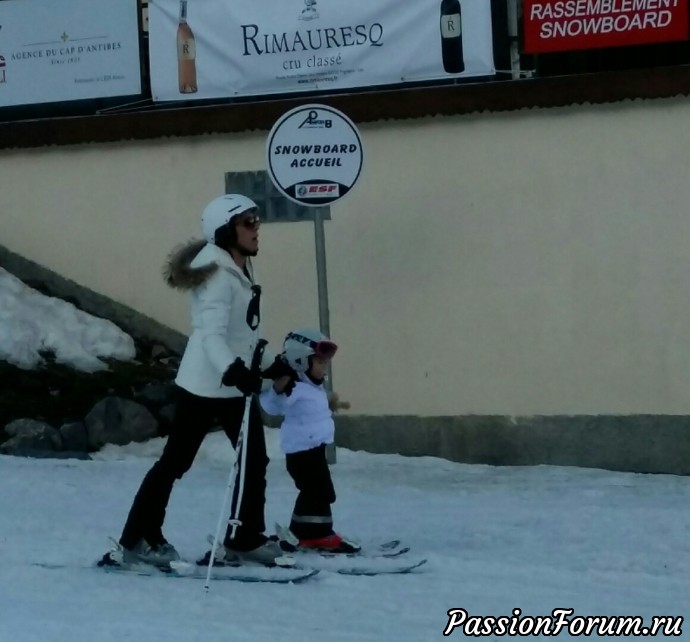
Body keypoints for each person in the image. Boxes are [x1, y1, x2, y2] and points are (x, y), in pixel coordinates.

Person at [101, 194, 296, 568]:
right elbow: (211, 336)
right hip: (205, 386)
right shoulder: (218, 276)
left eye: (257, 220)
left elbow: (244, 335)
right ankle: (138, 538)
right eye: (248, 222)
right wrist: (235, 371)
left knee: (254, 460)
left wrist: (273, 365)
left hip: (232, 384)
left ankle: (244, 537)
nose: (257, 229)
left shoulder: (236, 268)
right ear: (226, 231)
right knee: (176, 463)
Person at [260, 328, 359, 553]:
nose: (325, 367)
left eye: (325, 362)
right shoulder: (294, 388)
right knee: (318, 491)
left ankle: (308, 533)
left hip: (314, 448)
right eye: (319, 362)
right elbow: (272, 406)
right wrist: (279, 388)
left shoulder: (313, 386)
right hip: (301, 452)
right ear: (300, 362)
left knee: (319, 492)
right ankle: (313, 534)